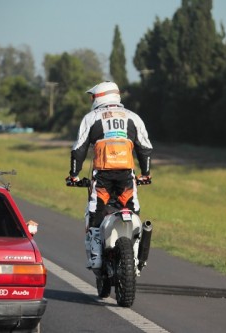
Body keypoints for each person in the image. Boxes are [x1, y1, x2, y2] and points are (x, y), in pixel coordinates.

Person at [66, 81, 153, 269]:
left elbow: (78, 149)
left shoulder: (91, 118)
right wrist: (146, 173)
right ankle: (137, 258)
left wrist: (73, 175)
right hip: (127, 177)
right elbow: (145, 148)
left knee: (95, 212)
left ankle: (96, 257)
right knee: (134, 212)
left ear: (99, 97)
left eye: (92, 97)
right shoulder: (133, 117)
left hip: (102, 178)